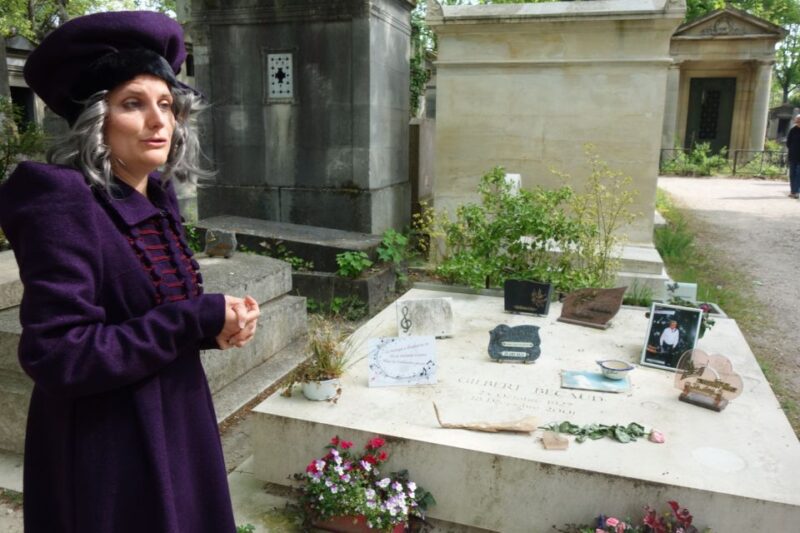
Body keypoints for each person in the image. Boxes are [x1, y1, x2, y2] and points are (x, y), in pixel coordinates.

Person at [0, 11, 260, 533]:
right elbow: (59, 354)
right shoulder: (63, 201)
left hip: (177, 423)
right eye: (133, 104)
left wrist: (213, 327)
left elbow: (147, 313)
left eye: (166, 104)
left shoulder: (155, 196)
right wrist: (193, 319)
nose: (159, 121)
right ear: (96, 120)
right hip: (111, 451)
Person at [785, 114, 800, 198]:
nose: (798, 122)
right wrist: (792, 149)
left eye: (799, 120)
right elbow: (788, 142)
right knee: (792, 174)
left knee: (798, 174)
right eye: (797, 120)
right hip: (793, 156)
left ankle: (796, 191)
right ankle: (793, 191)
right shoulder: (792, 130)